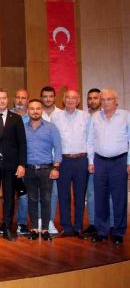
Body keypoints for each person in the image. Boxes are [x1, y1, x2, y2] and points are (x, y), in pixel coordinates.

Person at [87, 88, 130, 245]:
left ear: (115, 100)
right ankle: (102, 231)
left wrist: (129, 162)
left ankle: (118, 232)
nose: (105, 102)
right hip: (100, 162)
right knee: (100, 198)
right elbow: (90, 140)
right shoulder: (95, 117)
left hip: (119, 161)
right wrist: (91, 161)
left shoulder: (126, 116)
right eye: (103, 99)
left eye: (109, 99)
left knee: (119, 198)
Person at [0, 88, 26, 242]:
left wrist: (21, 164)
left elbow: (22, 143)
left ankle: (7, 228)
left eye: (4, 98)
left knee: (9, 198)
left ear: (7, 100)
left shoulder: (16, 119)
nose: (2, 100)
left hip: (11, 166)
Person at [51, 90, 89, 238]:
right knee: (63, 195)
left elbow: (90, 139)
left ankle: (78, 226)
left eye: (74, 98)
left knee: (80, 195)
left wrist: (90, 161)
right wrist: (55, 163)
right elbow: (54, 141)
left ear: (78, 101)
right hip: (64, 160)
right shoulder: (56, 117)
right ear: (63, 99)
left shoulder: (86, 116)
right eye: (68, 97)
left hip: (81, 160)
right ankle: (66, 227)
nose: (70, 100)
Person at [23, 99, 62, 241]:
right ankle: (34, 228)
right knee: (32, 199)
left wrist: (56, 167)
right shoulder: (22, 128)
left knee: (46, 199)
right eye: (32, 109)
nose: (35, 111)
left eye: (38, 108)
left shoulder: (51, 128)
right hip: (29, 169)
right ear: (28, 111)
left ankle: (45, 229)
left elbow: (58, 148)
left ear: (42, 110)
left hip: (47, 169)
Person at [40, 86, 63, 234]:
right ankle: (39, 220)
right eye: (45, 96)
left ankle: (50, 221)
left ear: (54, 97)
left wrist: (57, 163)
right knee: (39, 193)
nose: (48, 99)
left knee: (53, 193)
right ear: (41, 98)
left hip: (55, 161)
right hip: (40, 160)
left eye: (50, 96)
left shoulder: (61, 115)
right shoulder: (36, 113)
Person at [82, 87, 102, 238]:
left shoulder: (104, 116)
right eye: (90, 98)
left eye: (96, 98)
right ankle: (93, 223)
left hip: (102, 159)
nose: (92, 101)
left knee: (106, 194)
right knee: (91, 193)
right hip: (86, 160)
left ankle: (110, 224)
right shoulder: (83, 116)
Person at [13, 88, 30, 234]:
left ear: (28, 101)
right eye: (18, 97)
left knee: (24, 194)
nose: (20, 100)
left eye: (23, 98)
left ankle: (22, 223)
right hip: (11, 162)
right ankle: (7, 223)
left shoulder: (34, 117)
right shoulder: (8, 115)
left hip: (28, 161)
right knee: (8, 195)